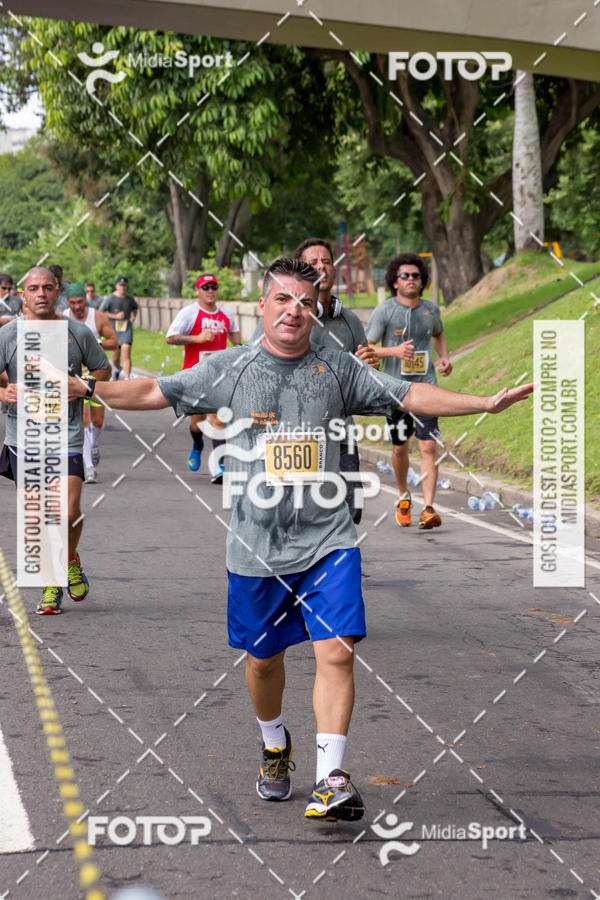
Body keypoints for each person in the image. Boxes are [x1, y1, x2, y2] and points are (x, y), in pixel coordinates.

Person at [70, 257, 532, 821]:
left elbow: (408, 396)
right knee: (263, 662)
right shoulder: (229, 369)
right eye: (283, 299)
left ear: (314, 311)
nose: (294, 310)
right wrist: (88, 387)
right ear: (262, 306)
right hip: (256, 543)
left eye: (304, 302)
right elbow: (151, 392)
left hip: (329, 538)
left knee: (336, 651)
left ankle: (330, 778)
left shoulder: (335, 368)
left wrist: (485, 403)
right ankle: (274, 744)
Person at [0, 267, 111, 614]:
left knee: (68, 512)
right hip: (25, 437)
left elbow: (103, 369)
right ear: (23, 294)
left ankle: (70, 558)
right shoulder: (9, 334)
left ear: (58, 291)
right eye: (34, 288)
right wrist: (6, 392)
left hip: (67, 436)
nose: (41, 294)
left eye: (48, 287)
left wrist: (82, 386)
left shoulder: (77, 333)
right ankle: (52, 585)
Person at [250, 239, 379, 523]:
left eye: (326, 262)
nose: (321, 267)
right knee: (290, 512)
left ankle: (337, 562)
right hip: (290, 433)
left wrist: (370, 364)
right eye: (312, 263)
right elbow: (255, 363)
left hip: (338, 430)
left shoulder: (349, 321)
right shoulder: (283, 317)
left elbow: (363, 372)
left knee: (350, 508)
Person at [366, 253, 452, 529]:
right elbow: (366, 347)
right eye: (405, 276)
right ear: (394, 282)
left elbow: (437, 334)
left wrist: (444, 357)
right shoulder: (385, 311)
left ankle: (428, 508)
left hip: (427, 387)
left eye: (416, 275)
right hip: (396, 392)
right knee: (400, 448)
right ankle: (403, 497)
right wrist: (394, 351)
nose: (411, 279)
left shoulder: (430, 310)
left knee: (428, 446)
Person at [165, 273, 240, 483]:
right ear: (198, 291)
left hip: (220, 376)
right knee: (197, 423)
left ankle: (218, 465)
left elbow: (236, 339)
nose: (210, 291)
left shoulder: (226, 314)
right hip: (195, 375)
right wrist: (196, 338)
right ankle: (197, 446)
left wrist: (241, 356)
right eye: (205, 287)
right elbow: (170, 337)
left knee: (217, 418)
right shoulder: (189, 313)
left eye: (213, 287)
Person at [62, 282, 118, 483]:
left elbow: (114, 341)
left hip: (98, 375)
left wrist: (95, 343)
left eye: (80, 302)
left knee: (98, 421)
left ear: (85, 299)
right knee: (83, 419)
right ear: (67, 302)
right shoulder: (62, 318)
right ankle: (89, 466)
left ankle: (93, 444)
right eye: (72, 302)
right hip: (76, 377)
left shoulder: (98, 317)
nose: (77, 306)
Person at [102, 276, 138, 380]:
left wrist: (133, 316)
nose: (122, 287)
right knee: (116, 356)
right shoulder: (110, 298)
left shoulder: (129, 299)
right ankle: (117, 370)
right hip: (114, 330)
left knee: (126, 351)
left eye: (124, 285)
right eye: (120, 285)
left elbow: (135, 309)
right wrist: (115, 316)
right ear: (116, 286)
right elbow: (102, 312)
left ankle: (127, 378)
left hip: (126, 329)